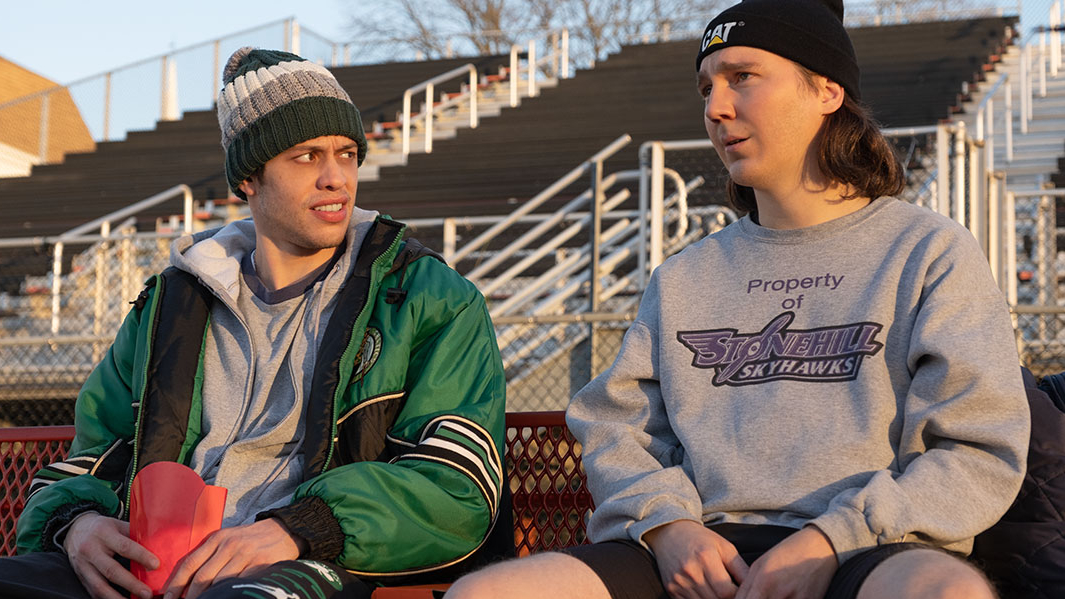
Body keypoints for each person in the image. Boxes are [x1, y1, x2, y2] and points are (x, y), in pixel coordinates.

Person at [445, 1, 1030, 598]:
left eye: (742, 77)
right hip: (699, 553)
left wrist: (832, 540)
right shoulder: (684, 276)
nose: (715, 108)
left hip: (869, 546)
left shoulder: (928, 251)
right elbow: (617, 426)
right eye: (707, 88)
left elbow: (976, 450)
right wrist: (666, 526)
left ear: (827, 91)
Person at [2, 47, 506, 599]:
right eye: (307, 156)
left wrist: (301, 528)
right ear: (248, 179)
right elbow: (91, 456)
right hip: (152, 563)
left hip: (316, 560)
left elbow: (457, 486)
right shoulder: (170, 306)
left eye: (347, 154)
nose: (336, 178)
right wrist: (76, 525)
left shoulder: (427, 298)